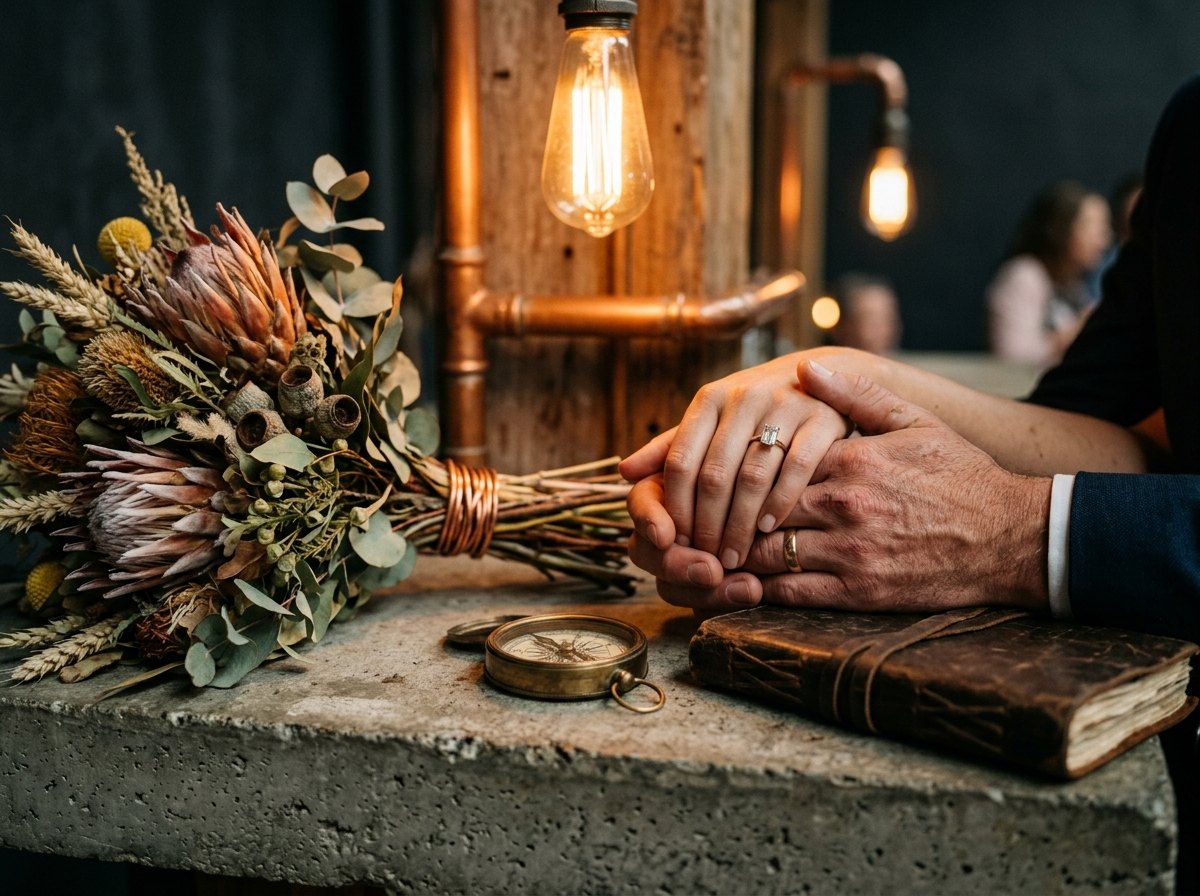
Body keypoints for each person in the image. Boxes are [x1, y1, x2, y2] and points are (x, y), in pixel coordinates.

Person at [619, 73, 1200, 891]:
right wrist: (835, 382)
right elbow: (1096, 426)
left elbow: (1042, 494)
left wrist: (1014, 533)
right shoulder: (1192, 122)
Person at [986, 181, 1112, 368]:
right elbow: (1012, 357)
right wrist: (1077, 330)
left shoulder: (1073, 285)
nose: (1104, 240)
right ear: (1060, 229)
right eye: (1093, 227)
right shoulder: (1024, 276)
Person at [829, 273, 902, 356]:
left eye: (889, 318)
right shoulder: (822, 362)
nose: (883, 331)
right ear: (843, 327)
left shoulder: (909, 362)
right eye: (871, 320)